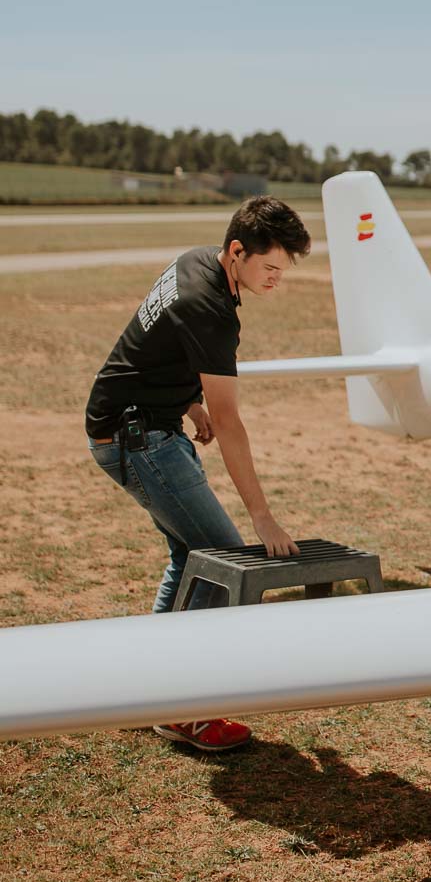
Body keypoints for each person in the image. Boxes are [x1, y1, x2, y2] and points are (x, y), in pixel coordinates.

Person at [85, 195, 312, 752]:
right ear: (237, 252)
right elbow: (232, 423)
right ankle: (184, 710)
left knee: (191, 557)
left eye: (284, 270)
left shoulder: (196, 261)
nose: (277, 280)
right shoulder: (209, 308)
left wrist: (187, 404)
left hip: (136, 423)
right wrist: (262, 515)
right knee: (224, 560)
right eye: (271, 268)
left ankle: (149, 692)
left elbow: (155, 347)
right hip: (138, 440)